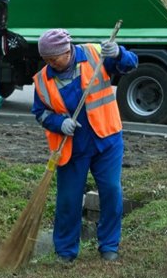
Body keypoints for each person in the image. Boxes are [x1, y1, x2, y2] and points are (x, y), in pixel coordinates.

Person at [32, 29, 138, 263]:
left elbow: (130, 65)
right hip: (72, 147)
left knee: (111, 191)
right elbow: (39, 113)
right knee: (68, 200)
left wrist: (119, 53)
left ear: (67, 50)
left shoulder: (95, 54)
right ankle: (66, 252)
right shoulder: (42, 80)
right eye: (46, 59)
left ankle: (109, 246)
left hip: (106, 139)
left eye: (54, 58)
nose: (51, 63)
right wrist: (60, 123)